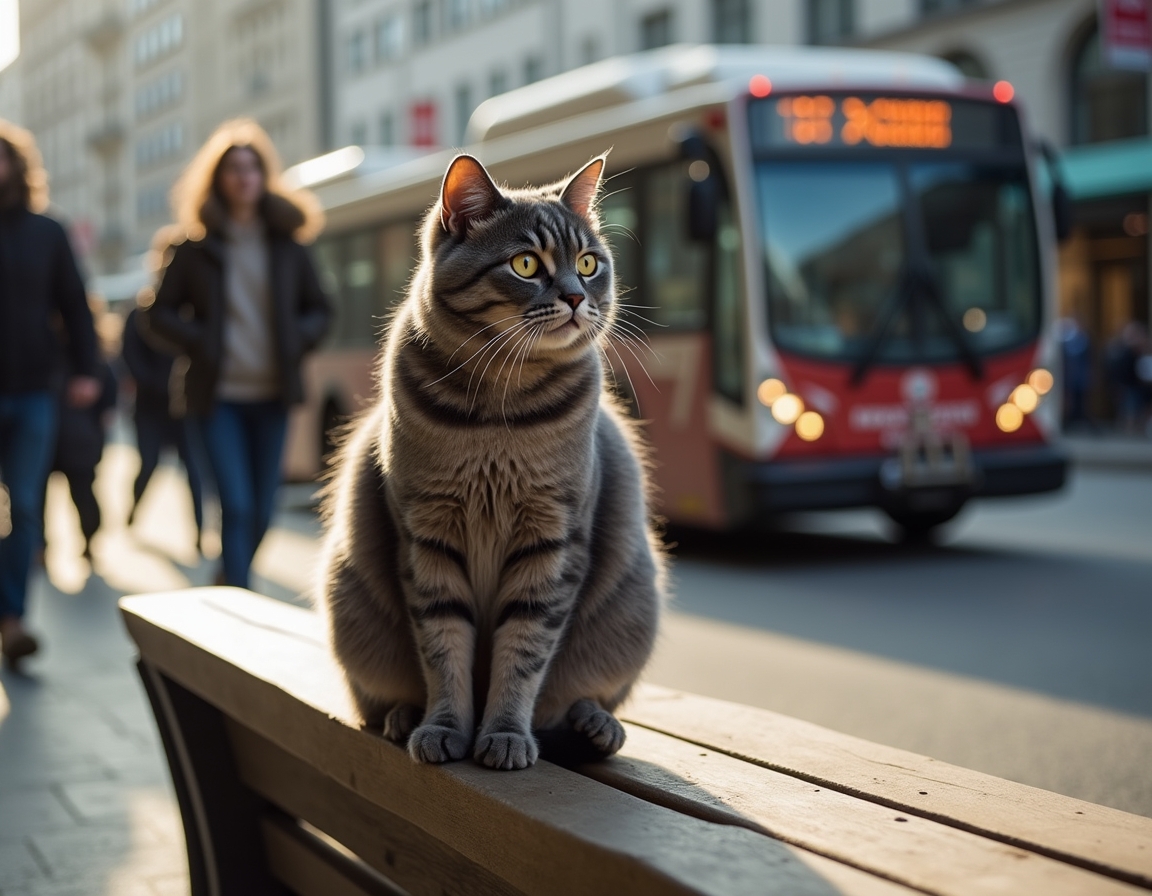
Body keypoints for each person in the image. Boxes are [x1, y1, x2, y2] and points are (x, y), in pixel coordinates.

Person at [143, 119, 331, 589]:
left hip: (273, 395)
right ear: (218, 179)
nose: (243, 176)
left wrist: (295, 340)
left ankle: (231, 572)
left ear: (264, 176)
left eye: (252, 167)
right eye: (233, 168)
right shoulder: (193, 248)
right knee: (237, 503)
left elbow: (322, 310)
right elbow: (158, 314)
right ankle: (238, 595)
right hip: (216, 397)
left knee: (264, 508)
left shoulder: (288, 245)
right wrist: (201, 340)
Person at [0, 120, 100, 666]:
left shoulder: (48, 231)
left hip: (35, 390)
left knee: (26, 506)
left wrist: (86, 369)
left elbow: (75, 304)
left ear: (16, 165)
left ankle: (13, 619)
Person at [122, 305, 205, 550]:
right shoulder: (140, 313)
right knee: (148, 464)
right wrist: (154, 384)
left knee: (194, 469)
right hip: (150, 407)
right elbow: (130, 355)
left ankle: (200, 532)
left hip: (185, 408)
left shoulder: (193, 312)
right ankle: (134, 509)